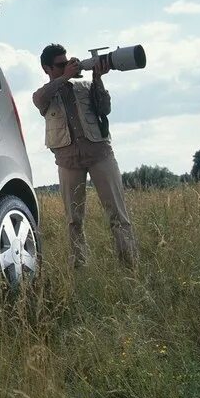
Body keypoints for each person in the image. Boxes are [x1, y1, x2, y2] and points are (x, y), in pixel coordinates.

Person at [32, 44, 138, 269]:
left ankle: (129, 266)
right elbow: (40, 101)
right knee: (74, 220)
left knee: (118, 215)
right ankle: (79, 267)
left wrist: (98, 78)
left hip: (100, 154)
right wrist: (63, 79)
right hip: (68, 161)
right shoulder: (44, 94)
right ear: (46, 68)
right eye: (60, 65)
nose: (67, 66)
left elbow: (104, 109)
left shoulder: (85, 85)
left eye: (67, 62)